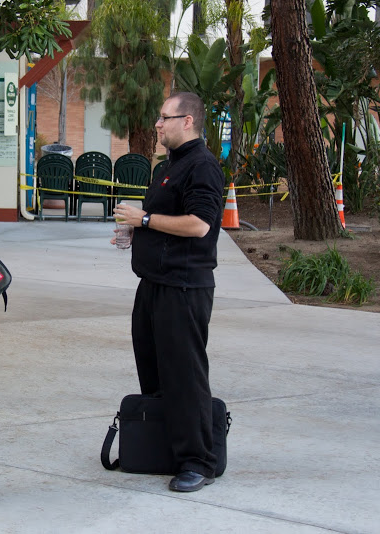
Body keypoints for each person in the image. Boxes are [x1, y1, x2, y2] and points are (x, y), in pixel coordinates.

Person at [112, 92, 224, 493]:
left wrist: (143, 217)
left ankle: (199, 461)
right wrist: (137, 230)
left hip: (184, 287)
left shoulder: (203, 166)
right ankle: (165, 448)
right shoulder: (169, 166)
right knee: (154, 373)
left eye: (164, 118)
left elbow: (198, 225)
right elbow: (164, 219)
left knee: (184, 377)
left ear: (188, 121)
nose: (157, 124)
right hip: (154, 285)